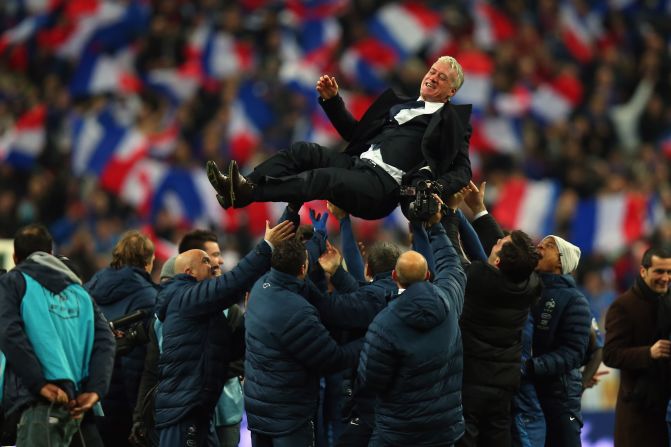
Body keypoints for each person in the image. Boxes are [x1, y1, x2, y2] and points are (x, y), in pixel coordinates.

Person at [206, 55, 473, 220]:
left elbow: (463, 171)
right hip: (358, 166)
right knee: (303, 151)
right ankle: (240, 189)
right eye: (433, 71)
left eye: (443, 77)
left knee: (323, 178)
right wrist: (333, 102)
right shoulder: (397, 104)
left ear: (451, 92)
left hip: (384, 186)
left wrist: (435, 187)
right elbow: (353, 135)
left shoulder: (453, 124)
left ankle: (249, 193)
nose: (434, 77)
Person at [153, 220, 294, 447]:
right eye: (206, 261)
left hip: (198, 409)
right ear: (189, 272)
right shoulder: (185, 297)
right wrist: (266, 246)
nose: (214, 265)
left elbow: (230, 350)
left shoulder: (206, 309)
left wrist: (251, 317)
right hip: (183, 411)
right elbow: (232, 284)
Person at [357, 196, 466, 446]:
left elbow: (371, 380)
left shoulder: (383, 323)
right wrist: (435, 226)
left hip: (398, 431)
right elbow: (452, 265)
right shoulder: (448, 301)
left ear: (394, 275)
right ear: (428, 275)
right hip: (443, 429)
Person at [442, 182, 541, 447]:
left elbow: (451, 254)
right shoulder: (530, 284)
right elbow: (510, 253)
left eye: (499, 245)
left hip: (469, 383)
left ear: (497, 261)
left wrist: (450, 212)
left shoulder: (479, 279)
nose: (496, 242)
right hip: (503, 385)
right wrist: (479, 210)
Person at [244, 238, 367, 447]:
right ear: (303, 268)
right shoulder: (298, 311)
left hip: (258, 409)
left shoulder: (259, 287)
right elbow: (333, 359)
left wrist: (318, 238)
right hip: (289, 415)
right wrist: (371, 338)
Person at [0, 224, 115, 446]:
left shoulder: (13, 282)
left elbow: (9, 333)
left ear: (15, 257)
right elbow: (106, 341)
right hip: (80, 409)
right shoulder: (80, 292)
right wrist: (95, 391)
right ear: (50, 254)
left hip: (38, 405)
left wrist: (39, 384)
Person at [85, 230, 158, 447]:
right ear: (147, 262)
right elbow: (152, 355)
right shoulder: (150, 297)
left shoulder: (87, 290)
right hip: (131, 399)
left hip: (93, 394)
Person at [526, 234, 592, 447]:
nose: (540, 247)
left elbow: (574, 353)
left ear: (560, 262)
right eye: (541, 244)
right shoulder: (527, 289)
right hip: (527, 391)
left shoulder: (575, 300)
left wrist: (532, 367)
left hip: (561, 398)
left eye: (549, 246)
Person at [603, 247, 671, 447]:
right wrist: (648, 353)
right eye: (659, 271)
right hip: (638, 412)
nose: (665, 278)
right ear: (643, 271)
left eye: (669, 272)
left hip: (665, 406)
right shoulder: (623, 306)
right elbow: (610, 354)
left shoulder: (668, 301)